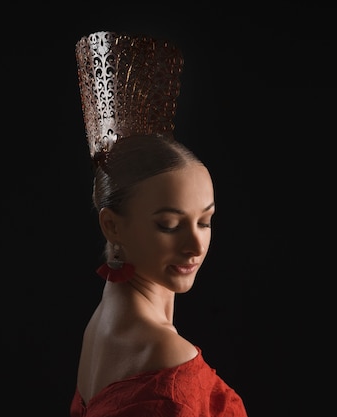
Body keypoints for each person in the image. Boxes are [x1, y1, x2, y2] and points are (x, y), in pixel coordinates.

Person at [70, 30, 248, 417]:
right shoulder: (167, 360)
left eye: (205, 221)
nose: (195, 245)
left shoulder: (101, 324)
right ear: (113, 226)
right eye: (169, 225)